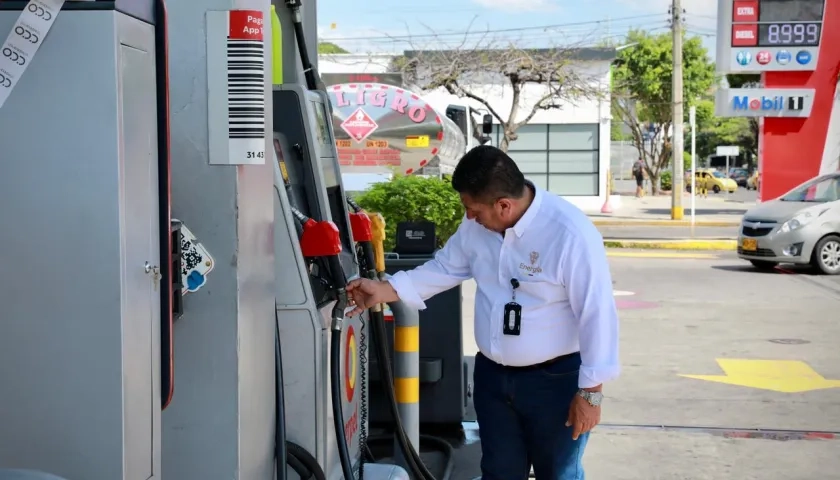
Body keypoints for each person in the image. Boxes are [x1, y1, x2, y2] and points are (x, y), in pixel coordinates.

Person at [345, 146, 620, 480]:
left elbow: (597, 313)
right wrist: (385, 291)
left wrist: (590, 393)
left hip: (555, 383)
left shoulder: (569, 234)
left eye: (473, 209)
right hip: (493, 379)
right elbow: (446, 267)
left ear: (504, 205)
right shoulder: (478, 226)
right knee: (498, 472)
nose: (469, 217)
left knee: (558, 473)